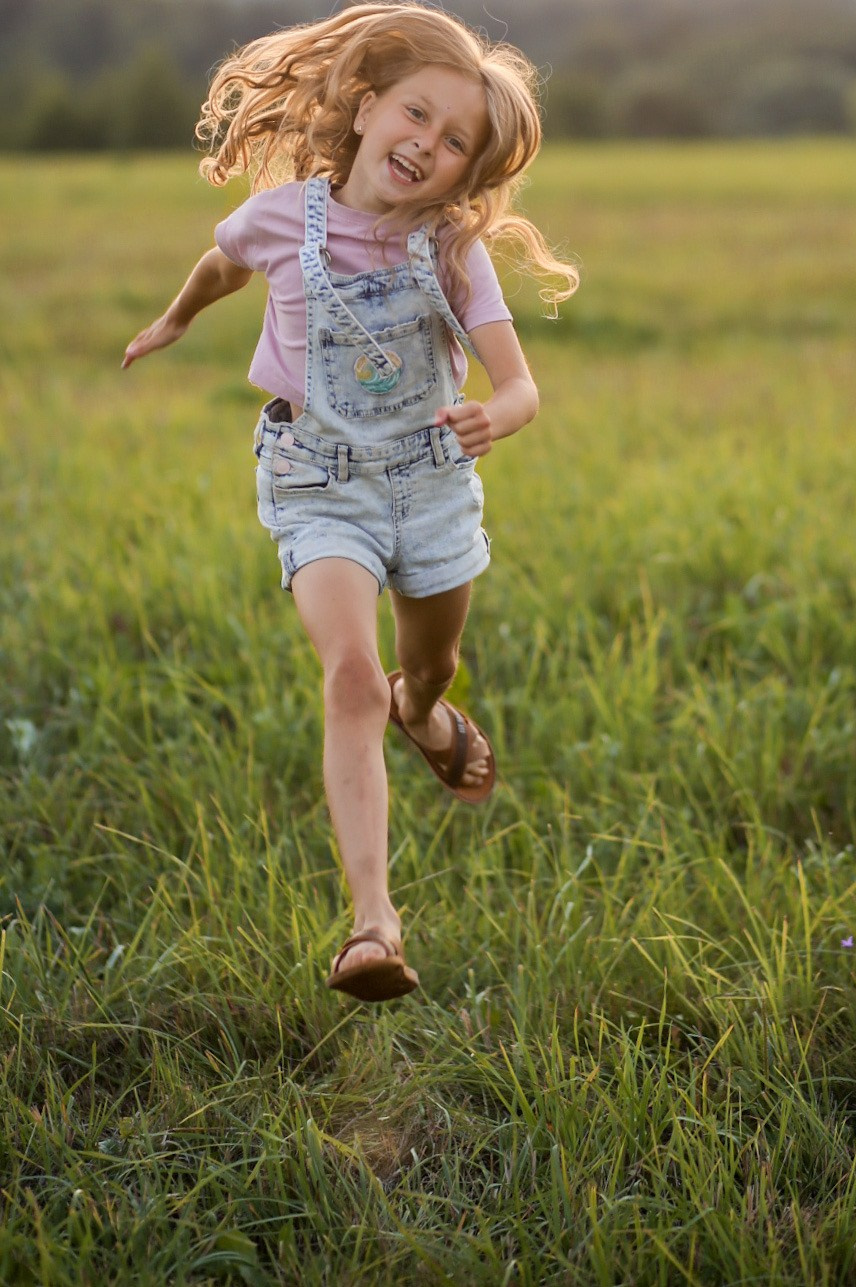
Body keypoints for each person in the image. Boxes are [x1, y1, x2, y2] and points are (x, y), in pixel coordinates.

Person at [122, 2, 578, 1003]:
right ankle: (373, 925)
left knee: (424, 670)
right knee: (352, 677)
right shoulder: (285, 216)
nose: (426, 144)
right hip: (314, 476)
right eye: (415, 115)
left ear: (466, 171)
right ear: (367, 110)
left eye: (454, 141)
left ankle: (426, 713)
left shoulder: (451, 252)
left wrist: (494, 416)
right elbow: (221, 264)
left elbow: (519, 384)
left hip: (427, 482)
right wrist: (171, 319)